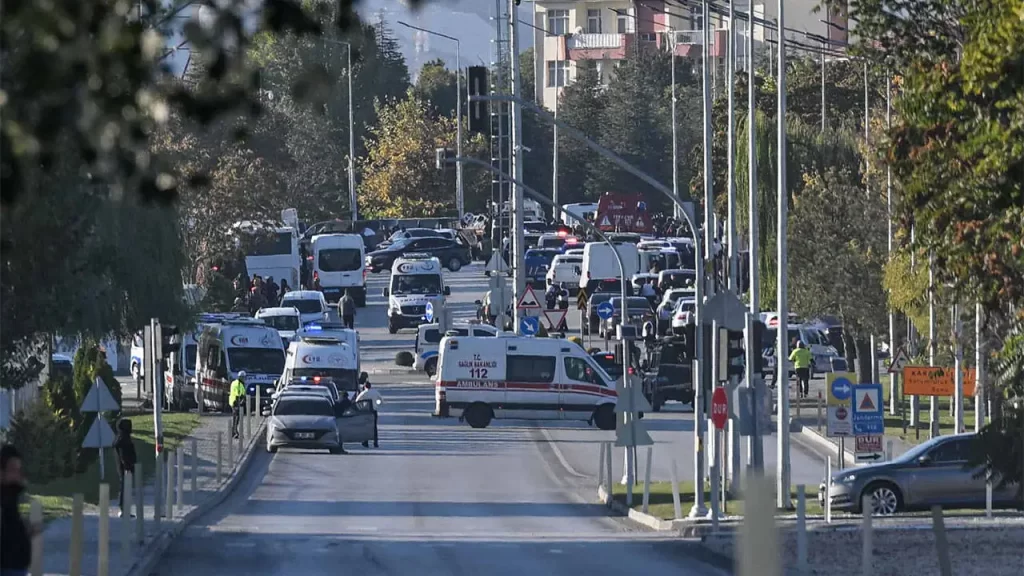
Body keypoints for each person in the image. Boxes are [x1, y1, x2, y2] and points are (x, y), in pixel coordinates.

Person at [1, 445, 35, 576]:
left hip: (18, 566)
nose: (17, 474)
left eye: (18, 469)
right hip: (7, 567)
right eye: (13, 469)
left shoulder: (11, 493)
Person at [113, 418, 137, 518]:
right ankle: (123, 509)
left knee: (125, 487)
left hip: (126, 467)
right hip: (126, 468)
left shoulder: (121, 438)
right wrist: (127, 465)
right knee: (125, 488)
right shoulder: (123, 439)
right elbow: (124, 455)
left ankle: (125, 509)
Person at [355, 383, 383, 448]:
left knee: (366, 427)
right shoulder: (375, 392)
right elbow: (382, 401)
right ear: (370, 386)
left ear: (365, 387)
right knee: (374, 427)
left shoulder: (363, 393)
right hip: (374, 411)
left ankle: (365, 442)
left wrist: (361, 406)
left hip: (366, 411)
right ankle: (375, 442)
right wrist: (377, 404)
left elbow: (357, 401)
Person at [229, 371, 247, 439]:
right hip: (236, 402)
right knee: (236, 418)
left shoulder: (235, 382)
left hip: (233, 401)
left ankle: (233, 432)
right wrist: (242, 400)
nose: (245, 379)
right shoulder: (238, 384)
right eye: (244, 377)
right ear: (241, 377)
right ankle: (235, 432)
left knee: (235, 417)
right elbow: (238, 394)